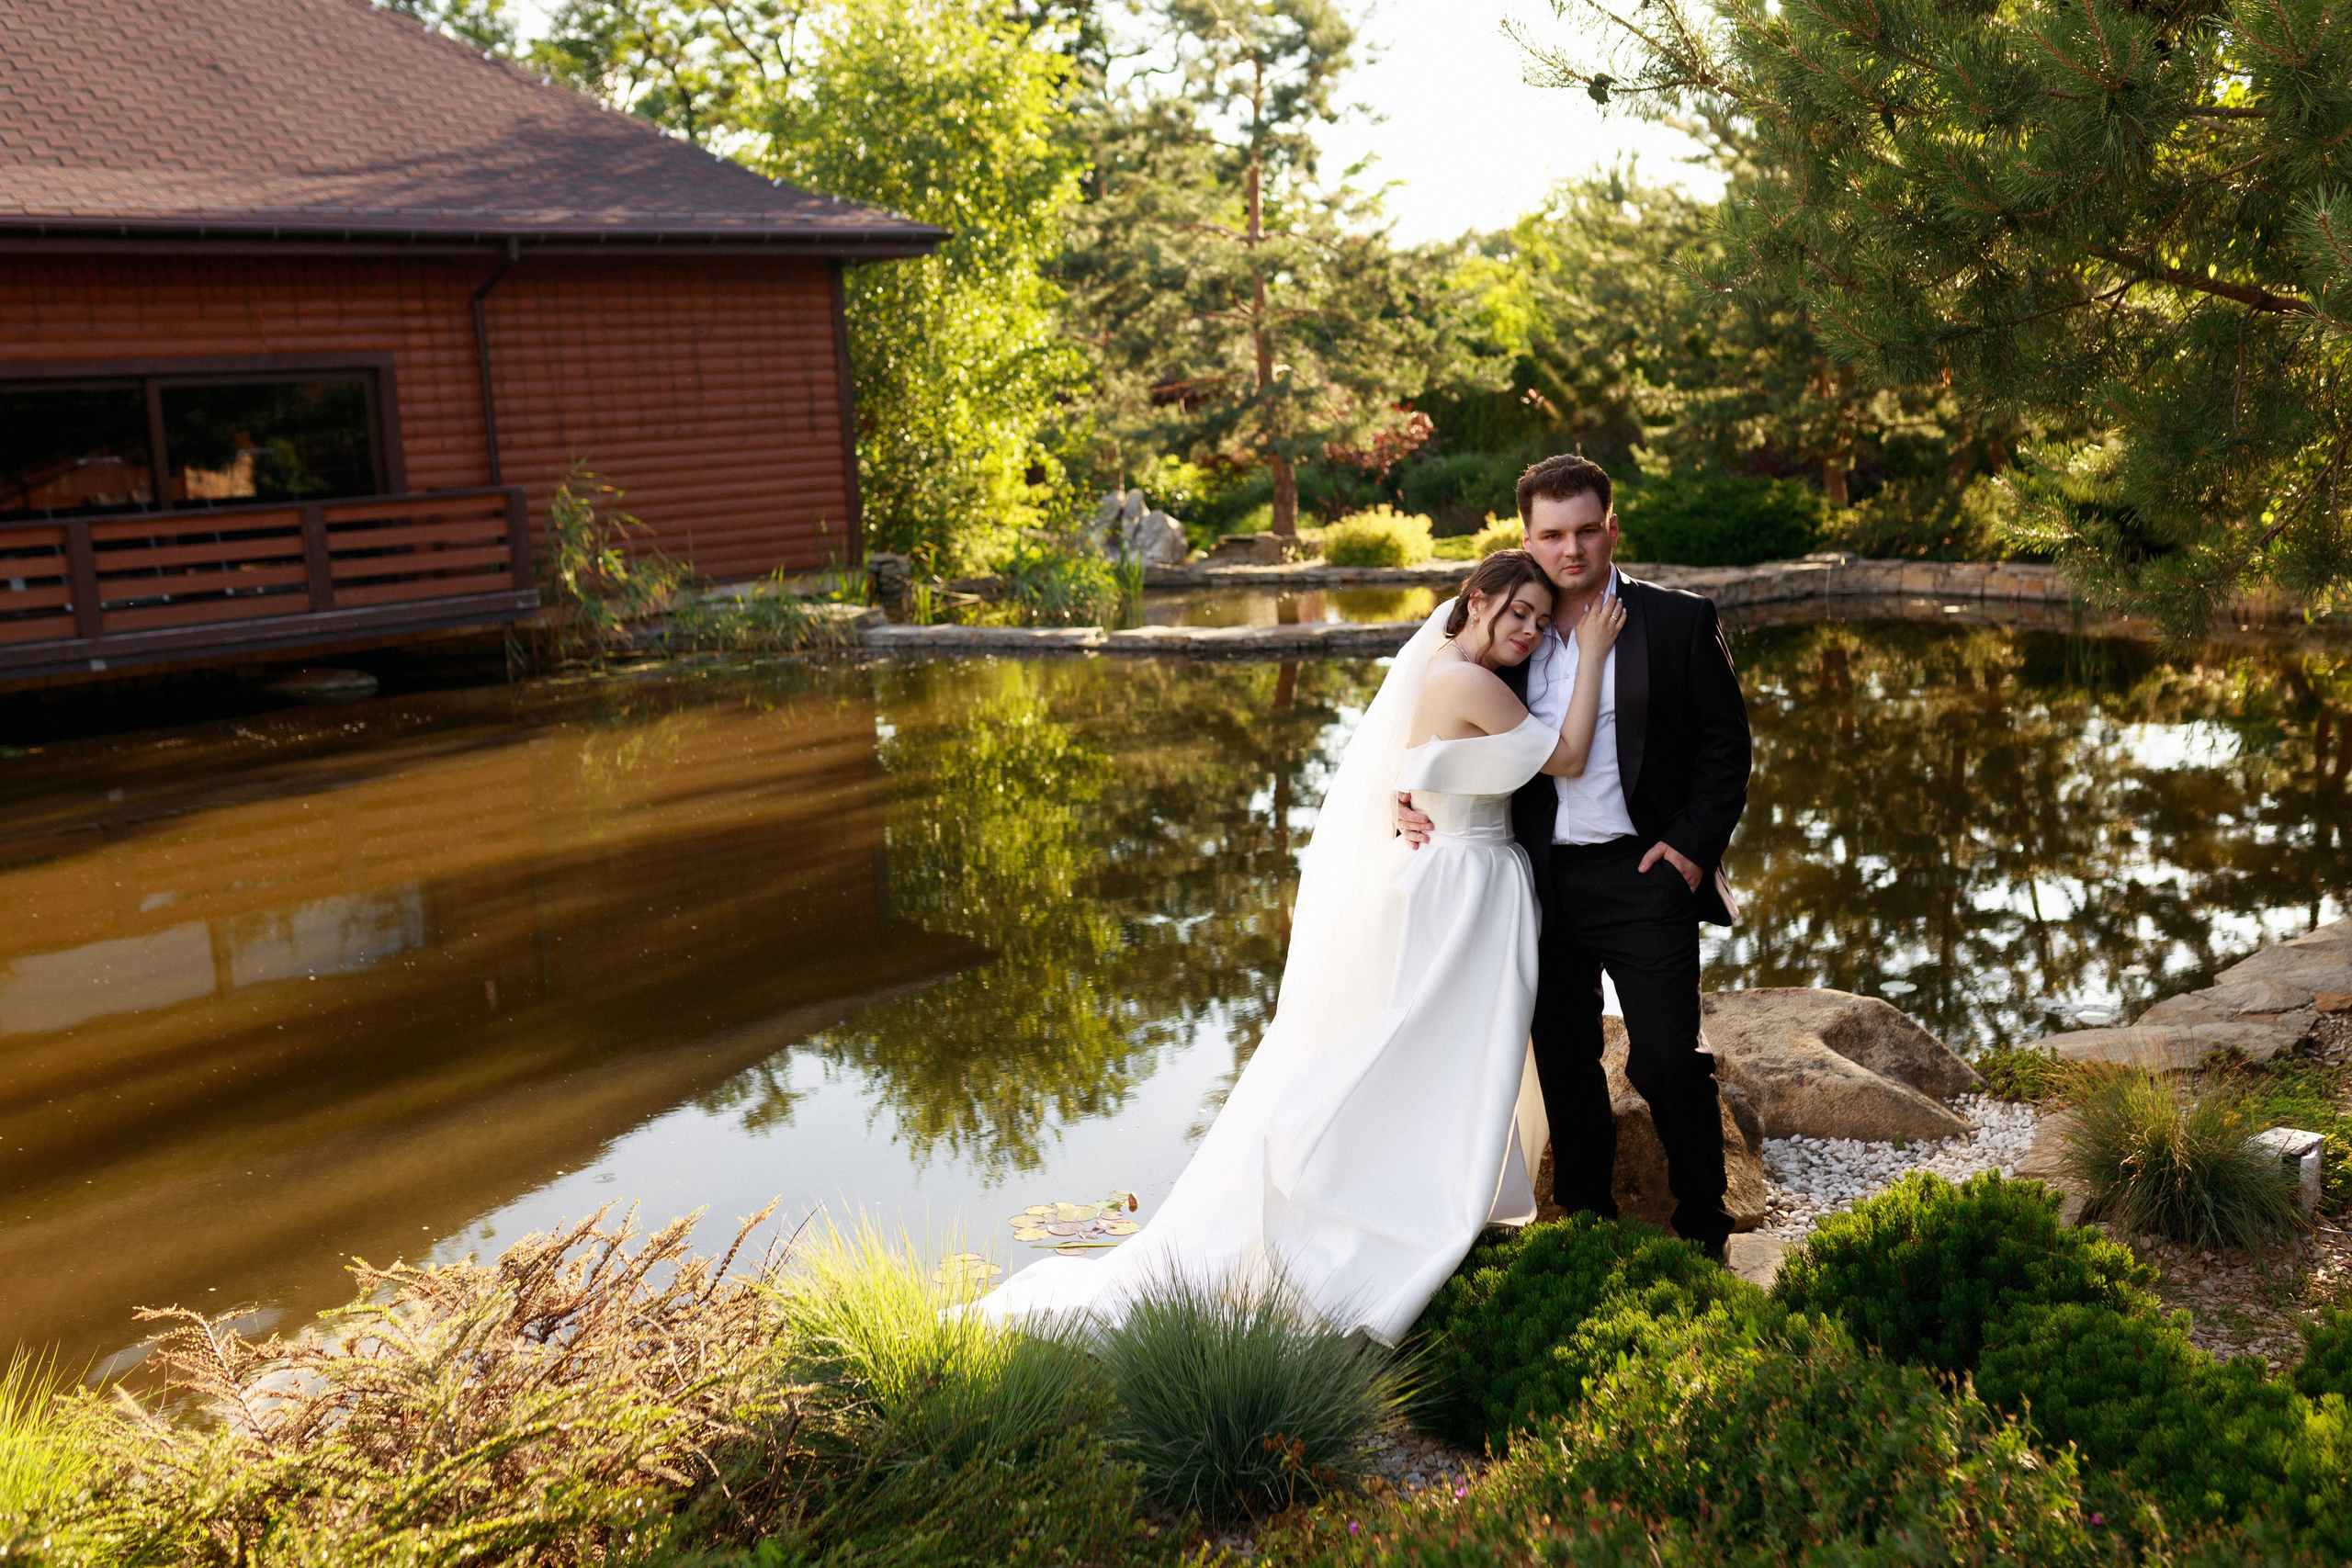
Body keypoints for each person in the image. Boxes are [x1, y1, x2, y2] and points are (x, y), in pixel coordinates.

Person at [968, 550, 1623, 1343]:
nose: (1530, 628)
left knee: (1450, 1049)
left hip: (1468, 878)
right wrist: (1588, 655)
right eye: (1516, 610)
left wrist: (1409, 788)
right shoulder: (1465, 679)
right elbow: (1568, 757)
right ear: (1475, 597)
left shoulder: (1455, 665)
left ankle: (1436, 1186)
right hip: (1464, 886)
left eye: (1541, 619)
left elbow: (1422, 762)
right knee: (1433, 1047)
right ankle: (1360, 1184)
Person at [1396, 455, 1751, 1259]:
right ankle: (1585, 1229)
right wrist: (1409, 791)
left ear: (1611, 529)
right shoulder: (1513, 630)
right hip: (1535, 881)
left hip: (1642, 874)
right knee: (1564, 1062)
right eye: (1553, 533)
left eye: (1587, 529)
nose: (1572, 548)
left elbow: (1726, 750)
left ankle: (1705, 1227)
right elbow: (1434, 717)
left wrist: (1693, 850)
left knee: (1666, 1059)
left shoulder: (1677, 620)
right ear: (1527, 537)